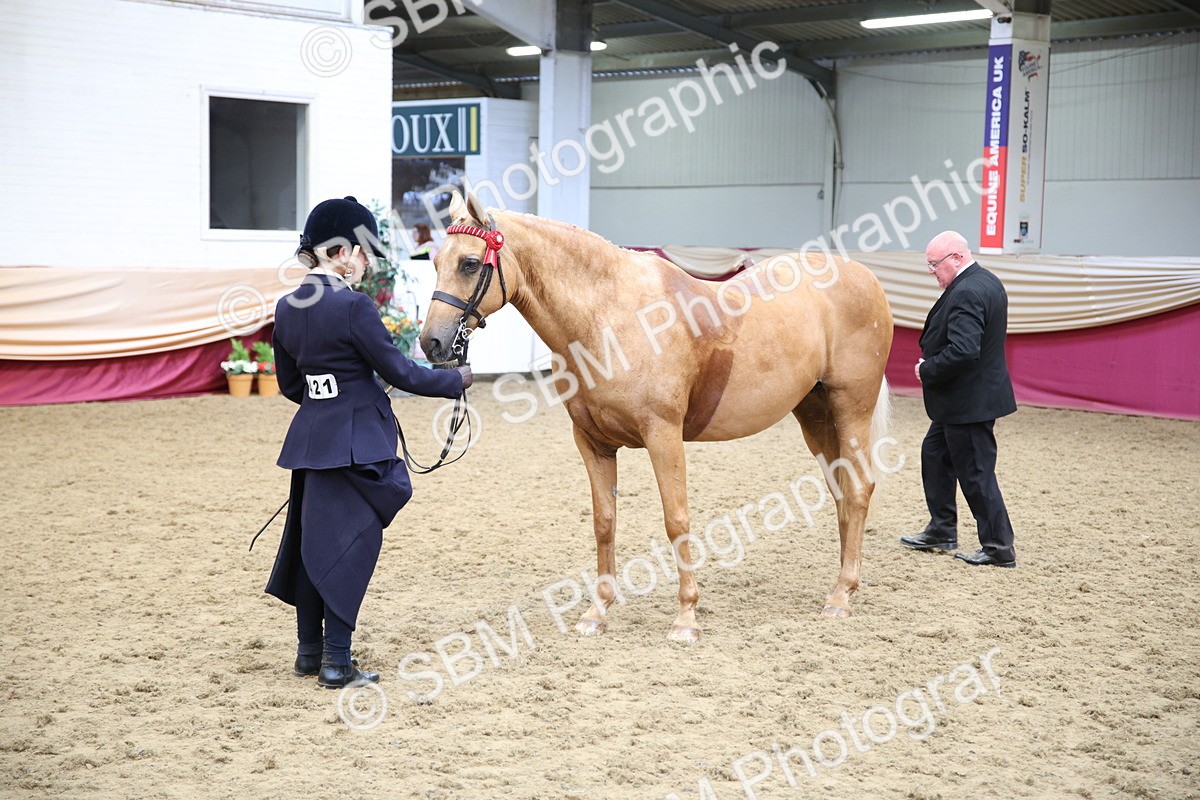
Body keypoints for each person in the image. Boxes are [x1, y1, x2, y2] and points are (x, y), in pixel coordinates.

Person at [265, 196, 472, 688]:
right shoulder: (353, 306)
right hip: (358, 447)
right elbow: (400, 371)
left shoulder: (287, 307)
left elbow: (291, 385)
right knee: (349, 545)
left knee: (310, 543)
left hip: (314, 444)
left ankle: (309, 652)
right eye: (362, 252)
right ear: (339, 252)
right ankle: (338, 661)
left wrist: (331, 399)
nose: (365, 263)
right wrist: (456, 379)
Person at [899, 230, 1018, 568]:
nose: (932, 271)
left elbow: (965, 351)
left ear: (956, 258)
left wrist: (929, 369)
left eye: (934, 264)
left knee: (977, 474)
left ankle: (998, 548)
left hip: (969, 402)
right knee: (934, 454)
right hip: (962, 401)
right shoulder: (986, 281)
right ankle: (942, 529)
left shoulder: (967, 291)